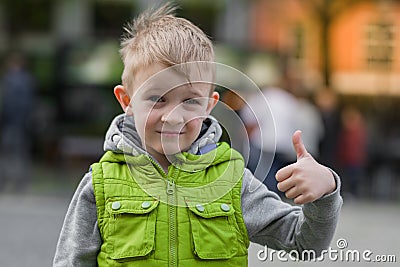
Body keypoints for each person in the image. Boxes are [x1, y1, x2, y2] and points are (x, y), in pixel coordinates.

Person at [53, 4, 342, 266]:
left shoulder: (232, 179)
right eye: (157, 98)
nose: (173, 116)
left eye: (190, 101)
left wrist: (326, 191)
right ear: (127, 101)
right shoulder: (100, 183)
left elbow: (305, 245)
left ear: (209, 105)